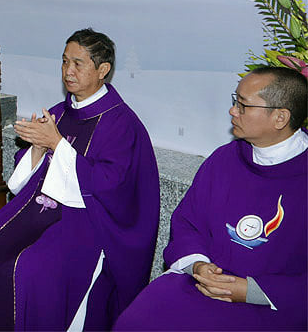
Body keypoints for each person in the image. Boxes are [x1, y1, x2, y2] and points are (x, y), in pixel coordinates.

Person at [0, 28, 160, 331]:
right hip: (39, 208)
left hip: (92, 223)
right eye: (64, 62)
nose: (68, 71)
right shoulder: (60, 113)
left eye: (78, 63)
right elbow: (31, 174)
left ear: (103, 70)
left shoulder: (122, 123)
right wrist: (37, 147)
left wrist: (57, 144)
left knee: (31, 266)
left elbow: (111, 186)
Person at [114, 67, 307, 331]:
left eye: (243, 105)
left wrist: (251, 290)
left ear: (280, 117)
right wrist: (197, 265)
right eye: (234, 100)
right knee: (134, 322)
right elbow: (187, 222)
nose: (232, 111)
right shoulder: (225, 159)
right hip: (201, 283)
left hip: (272, 303)